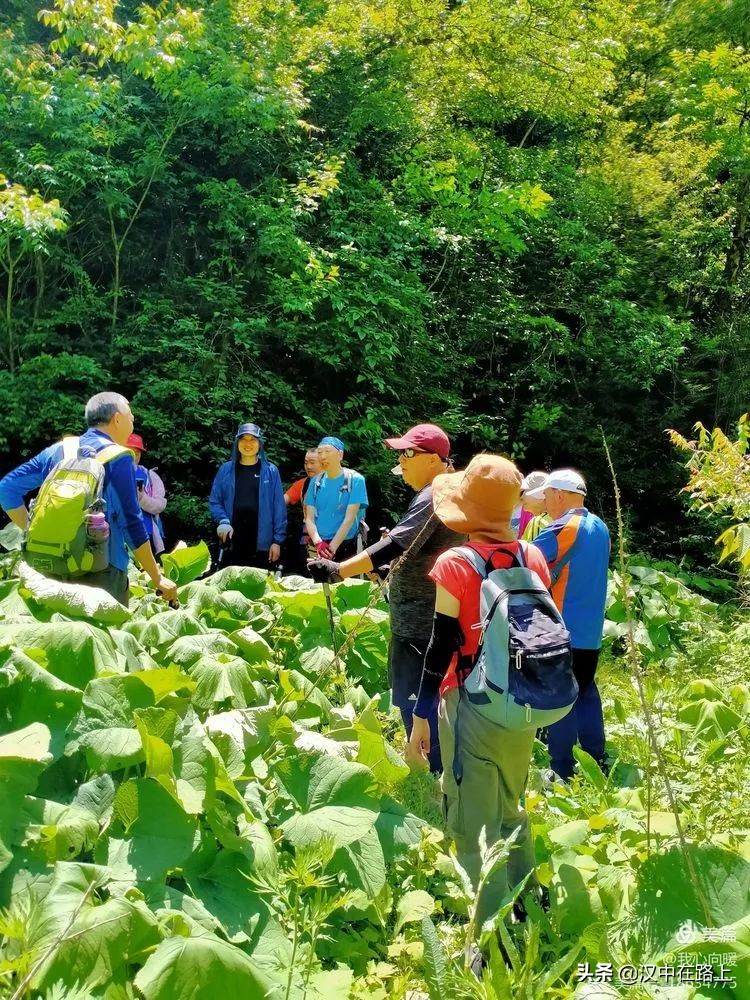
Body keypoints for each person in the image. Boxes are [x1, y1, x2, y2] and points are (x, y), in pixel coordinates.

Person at [407, 454, 552, 930]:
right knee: (511, 802)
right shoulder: (531, 556)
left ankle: (484, 929)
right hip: (523, 700)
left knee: (471, 817)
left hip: (470, 702)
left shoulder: (455, 562)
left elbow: (440, 645)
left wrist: (422, 716)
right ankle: (528, 902)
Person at [308, 423, 464, 772]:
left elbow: (396, 544)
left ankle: (430, 773)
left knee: (416, 700)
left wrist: (338, 570)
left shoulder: (435, 493)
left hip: (419, 619)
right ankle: (435, 769)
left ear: (435, 459)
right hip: (431, 613)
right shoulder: (451, 490)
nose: (401, 460)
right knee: (428, 698)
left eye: (408, 453)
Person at [0, 392, 177, 606]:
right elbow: (131, 523)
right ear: (117, 419)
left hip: (51, 567)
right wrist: (157, 577)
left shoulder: (59, 450)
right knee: (100, 629)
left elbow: (6, 489)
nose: (133, 421)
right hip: (101, 572)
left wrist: (33, 530)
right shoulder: (119, 457)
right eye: (131, 415)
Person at [525, 468, 610, 781]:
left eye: (547, 496)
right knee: (585, 692)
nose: (545, 503)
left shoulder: (565, 526)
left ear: (559, 495)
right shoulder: (600, 527)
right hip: (591, 631)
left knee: (561, 698)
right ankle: (597, 761)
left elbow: (525, 556)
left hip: (562, 628)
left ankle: (561, 770)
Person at [209, 422, 287, 570]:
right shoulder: (226, 469)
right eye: (243, 439)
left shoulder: (271, 471)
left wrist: (277, 541)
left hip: (261, 544)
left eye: (252, 440)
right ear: (237, 443)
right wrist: (223, 520)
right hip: (231, 541)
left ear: (260, 443)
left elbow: (279, 508)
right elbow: (215, 501)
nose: (248, 444)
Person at [304, 436, 368, 562]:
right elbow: (309, 518)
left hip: (346, 545)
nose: (323, 456)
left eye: (327, 451)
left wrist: (331, 549)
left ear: (340, 455)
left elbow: (349, 519)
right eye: (320, 452)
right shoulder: (315, 482)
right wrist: (318, 543)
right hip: (319, 545)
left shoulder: (355, 480)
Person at [127, 433, 167, 557]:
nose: (134, 456)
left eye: (137, 453)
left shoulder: (150, 476)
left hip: (146, 535)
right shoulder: (110, 473)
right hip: (120, 536)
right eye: (129, 452)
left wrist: (142, 498)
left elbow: (159, 505)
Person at [284, 448, 322, 573]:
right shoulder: (302, 484)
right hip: (307, 539)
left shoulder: (337, 484)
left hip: (332, 537)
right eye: (306, 463)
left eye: (312, 462)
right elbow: (281, 502)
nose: (308, 466)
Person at [519, 470, 550, 541]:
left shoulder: (539, 522)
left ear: (540, 495)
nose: (522, 496)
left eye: (525, 491)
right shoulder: (562, 516)